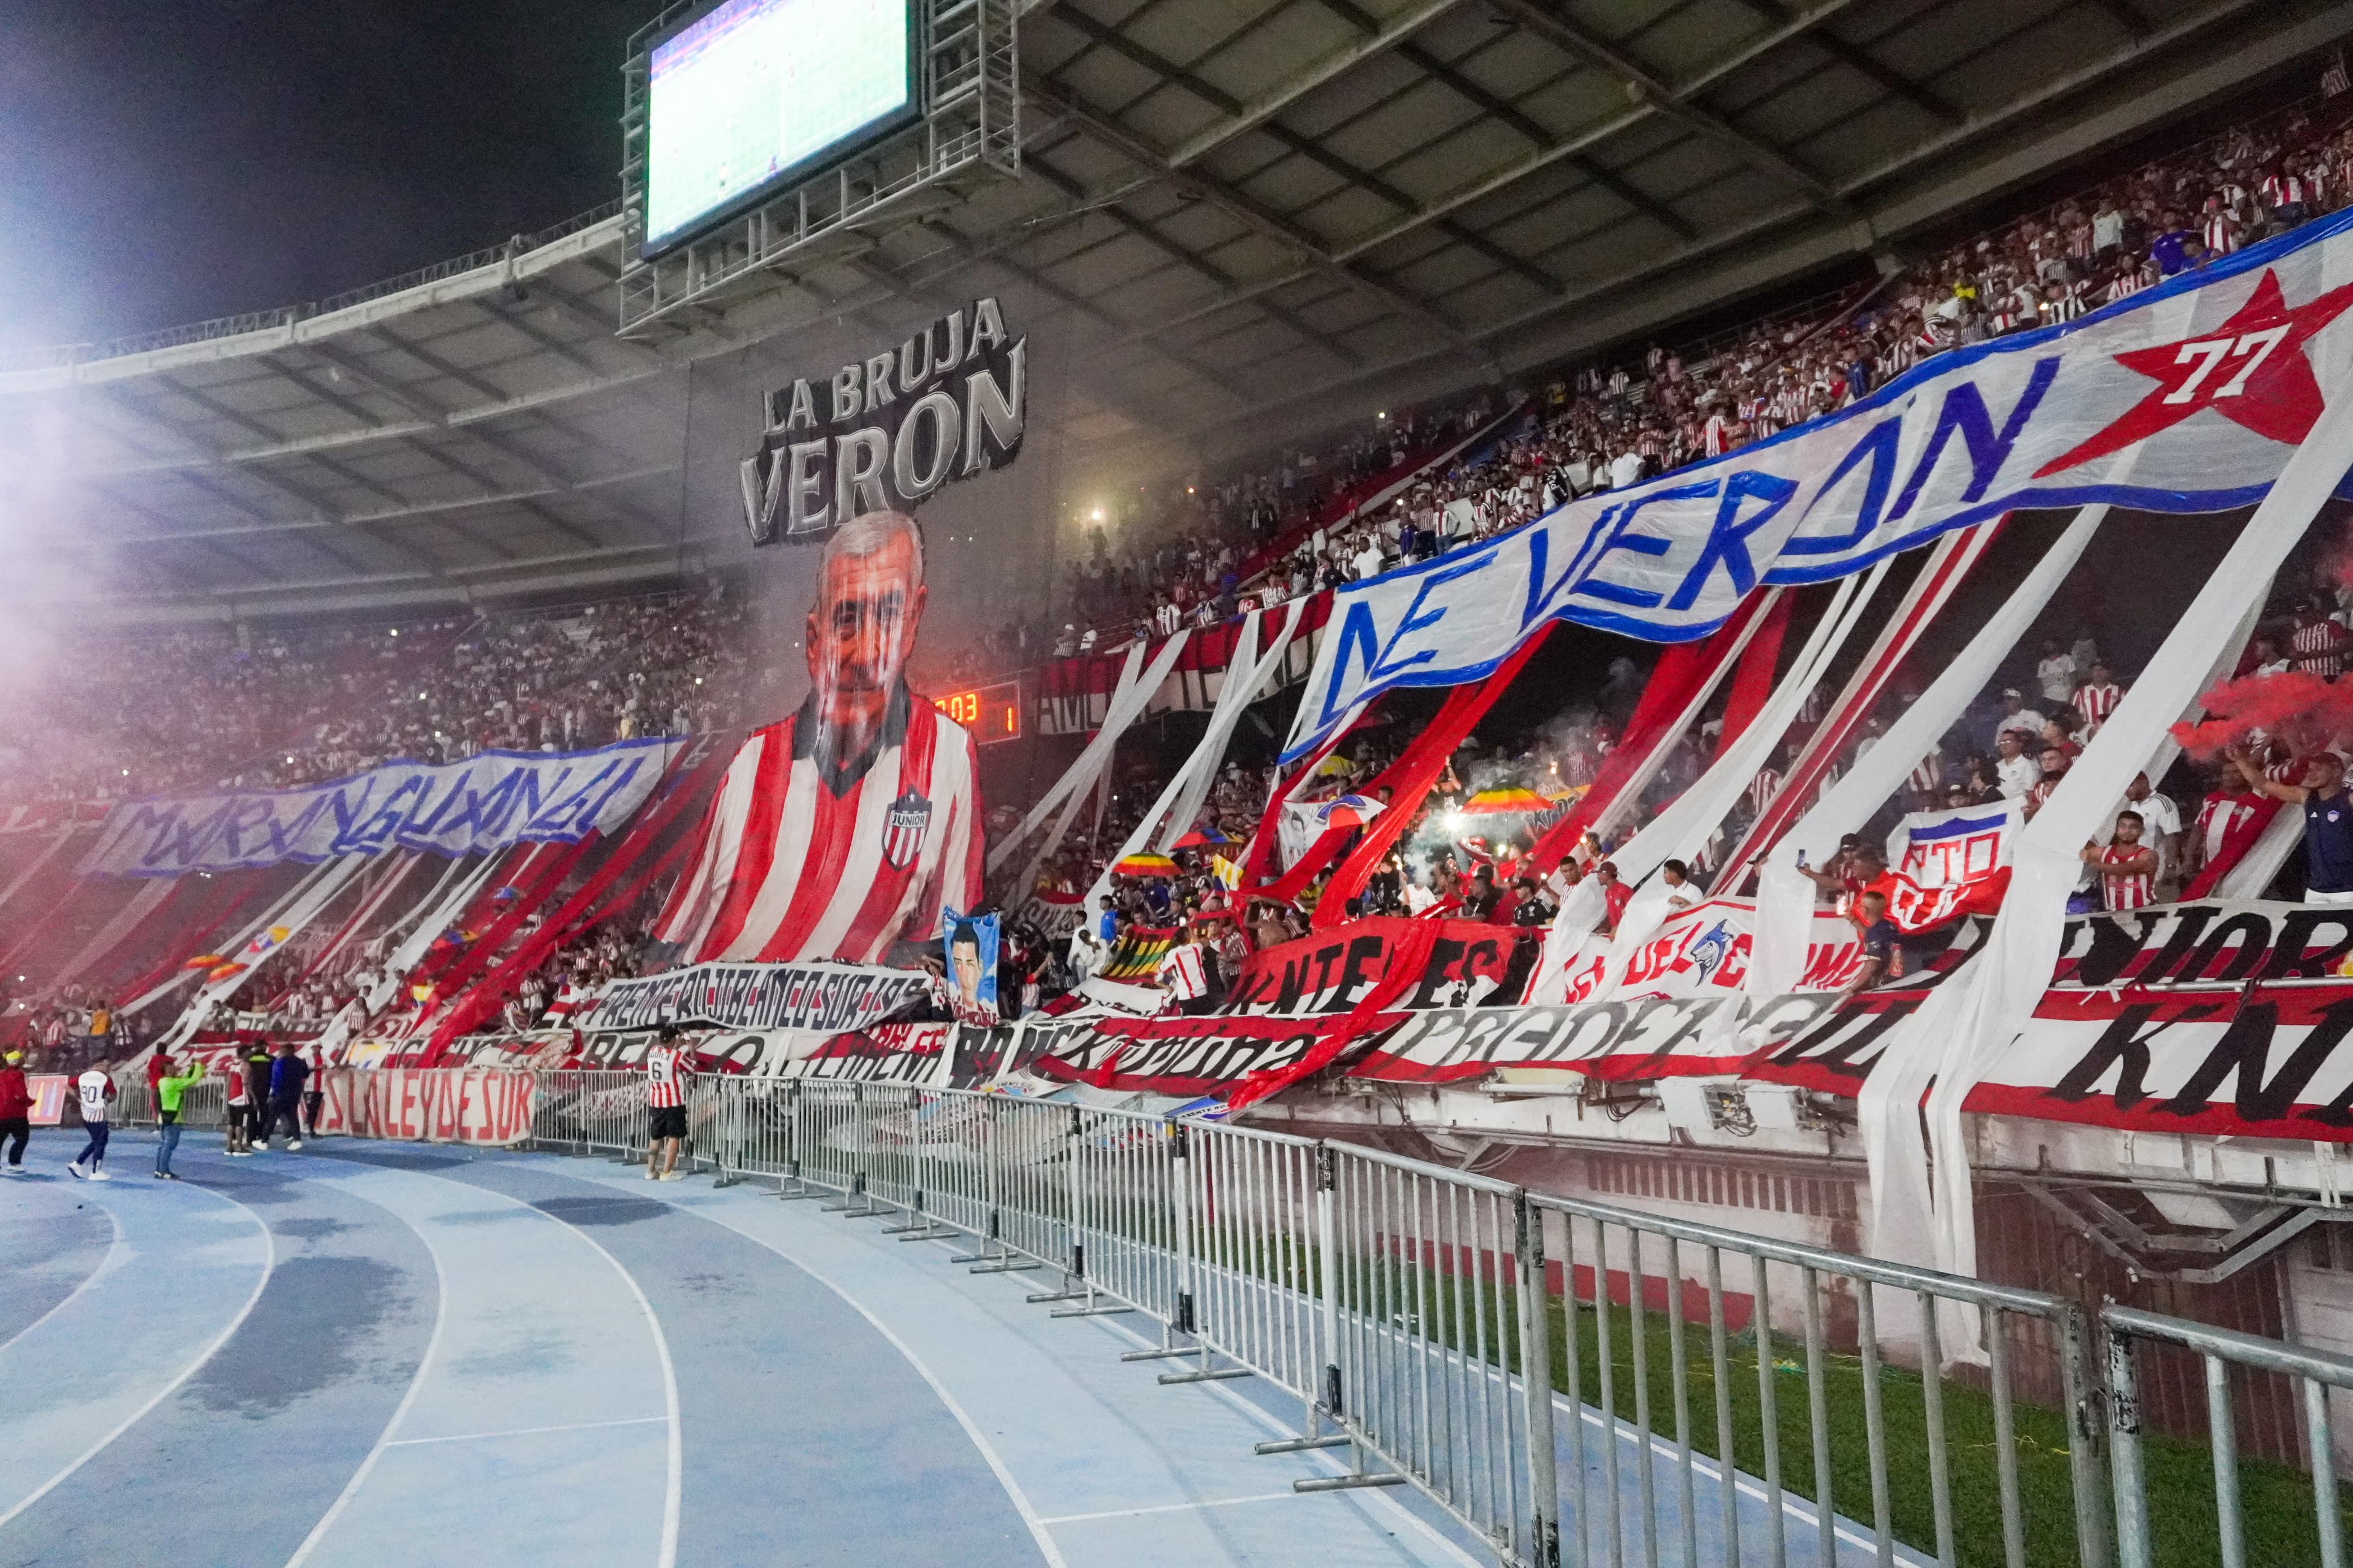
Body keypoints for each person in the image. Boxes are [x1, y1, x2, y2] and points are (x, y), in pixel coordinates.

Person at [654, 511, 982, 965]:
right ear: (814, 639)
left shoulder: (948, 755)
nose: (866, 654)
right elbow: (670, 945)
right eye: (847, 620)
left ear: (914, 620)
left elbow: (954, 947)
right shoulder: (753, 763)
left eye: (887, 616)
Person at [2226, 744, 2353, 904]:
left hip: (2348, 891)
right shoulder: (2306, 797)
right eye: (2310, 770)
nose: (2311, 774)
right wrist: (2240, 760)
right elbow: (2262, 783)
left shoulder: (2349, 799)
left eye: (2318, 769)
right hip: (2316, 890)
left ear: (2336, 772)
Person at [2082, 811, 2158, 911]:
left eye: (2133, 827)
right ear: (2116, 829)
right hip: (2114, 915)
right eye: (2123, 826)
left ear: (2142, 831)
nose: (2127, 831)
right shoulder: (2104, 852)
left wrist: (2091, 861)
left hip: (2145, 913)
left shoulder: (2149, 855)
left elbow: (2124, 869)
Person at [645, 1024, 691, 1181]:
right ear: (674, 1039)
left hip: (656, 1101)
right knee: (674, 1137)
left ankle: (650, 1171)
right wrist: (689, 1046)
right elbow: (692, 1068)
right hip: (673, 1102)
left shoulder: (652, 1052)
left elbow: (666, 1051)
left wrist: (676, 1044)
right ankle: (666, 1173)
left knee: (655, 1137)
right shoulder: (677, 1056)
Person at [152, 1052, 208, 1181]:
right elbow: (192, 1081)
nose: (174, 1069)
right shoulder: (172, 1083)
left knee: (164, 1144)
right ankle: (163, 1171)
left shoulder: (164, 1082)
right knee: (169, 1145)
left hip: (165, 1117)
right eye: (171, 1068)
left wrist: (192, 1069)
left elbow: (185, 1080)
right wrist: (198, 1066)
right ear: (166, 1071)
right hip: (173, 1118)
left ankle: (160, 1169)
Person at [1842, 892, 1904, 996]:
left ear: (1865, 910)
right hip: (1899, 979)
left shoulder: (1875, 932)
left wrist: (1852, 988)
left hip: (1885, 985)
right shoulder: (1888, 926)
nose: (1859, 908)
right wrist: (1852, 919)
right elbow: (1874, 937)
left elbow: (1871, 968)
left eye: (1861, 905)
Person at [67, 1058, 115, 1181]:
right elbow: (113, 1094)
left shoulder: (82, 1077)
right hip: (98, 1113)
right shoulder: (105, 1079)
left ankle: (78, 1163)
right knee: (100, 1142)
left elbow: (66, 1085)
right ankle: (95, 1171)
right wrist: (107, 1100)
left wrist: (78, 1097)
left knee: (98, 1140)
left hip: (86, 1113)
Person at [1155, 924, 1216, 1016]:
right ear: (1188, 937)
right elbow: (1198, 940)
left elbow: (1159, 973)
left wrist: (1166, 987)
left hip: (1186, 997)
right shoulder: (1197, 948)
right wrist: (1190, 929)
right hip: (1202, 994)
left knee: (1190, 1027)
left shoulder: (1173, 954)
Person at [263, 1039, 309, 1151]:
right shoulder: (300, 1062)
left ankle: (264, 1141)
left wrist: (274, 1093)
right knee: (292, 1116)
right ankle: (296, 1140)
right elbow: (305, 1075)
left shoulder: (279, 1062)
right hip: (295, 1093)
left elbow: (276, 1079)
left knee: (272, 1116)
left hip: (281, 1094)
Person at [0, 1049, 29, 1174]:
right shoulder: (20, 1075)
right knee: (22, 1138)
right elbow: (21, 1093)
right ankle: (14, 1162)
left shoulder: (1, 1074)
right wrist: (29, 1102)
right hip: (17, 1113)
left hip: (1, 1113)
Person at [223, 1051, 253, 1156]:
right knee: (240, 1123)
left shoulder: (232, 1064)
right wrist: (253, 1096)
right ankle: (239, 1147)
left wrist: (228, 1094)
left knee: (231, 1122)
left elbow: (228, 1080)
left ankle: (229, 1147)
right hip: (241, 1096)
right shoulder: (245, 1065)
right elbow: (245, 1082)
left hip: (232, 1095)